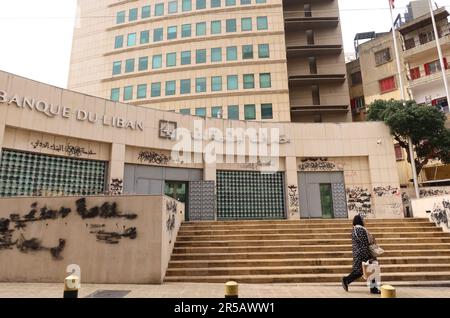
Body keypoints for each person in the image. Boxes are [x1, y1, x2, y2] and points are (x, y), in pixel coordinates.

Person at [342, 214, 381, 294]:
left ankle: (346, 280)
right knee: (372, 269)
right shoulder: (361, 229)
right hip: (364, 253)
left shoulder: (354, 229)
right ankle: (373, 289)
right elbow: (366, 242)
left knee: (359, 271)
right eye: (362, 219)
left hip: (358, 253)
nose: (364, 221)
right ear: (360, 220)